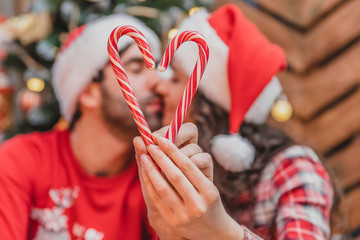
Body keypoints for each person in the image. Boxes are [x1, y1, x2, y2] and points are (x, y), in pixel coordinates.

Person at [0, 13, 209, 239]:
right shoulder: (20, 160)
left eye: (157, 68)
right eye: (137, 68)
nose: (159, 82)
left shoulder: (157, 179)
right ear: (89, 92)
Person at [135, 4, 334, 240]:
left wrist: (218, 229)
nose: (159, 86)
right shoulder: (180, 170)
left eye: (176, 79)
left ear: (210, 103)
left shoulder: (293, 168)